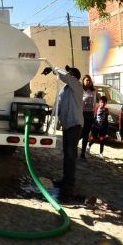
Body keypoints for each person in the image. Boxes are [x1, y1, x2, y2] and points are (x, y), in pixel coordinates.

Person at [41, 65, 84, 198]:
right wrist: (47, 112)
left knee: (71, 156)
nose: (67, 74)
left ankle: (69, 187)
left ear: (74, 77)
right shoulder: (64, 91)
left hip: (75, 126)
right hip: (67, 126)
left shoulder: (77, 86)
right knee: (67, 155)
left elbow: (64, 76)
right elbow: (58, 105)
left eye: (70, 73)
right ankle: (66, 181)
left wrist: (52, 68)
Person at [80, 75, 96, 159]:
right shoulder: (80, 90)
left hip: (90, 114)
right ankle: (73, 148)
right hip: (82, 113)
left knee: (86, 134)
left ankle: (83, 152)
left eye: (89, 81)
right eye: (86, 80)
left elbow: (94, 103)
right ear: (83, 81)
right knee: (80, 133)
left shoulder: (93, 91)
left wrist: (94, 114)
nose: (88, 82)